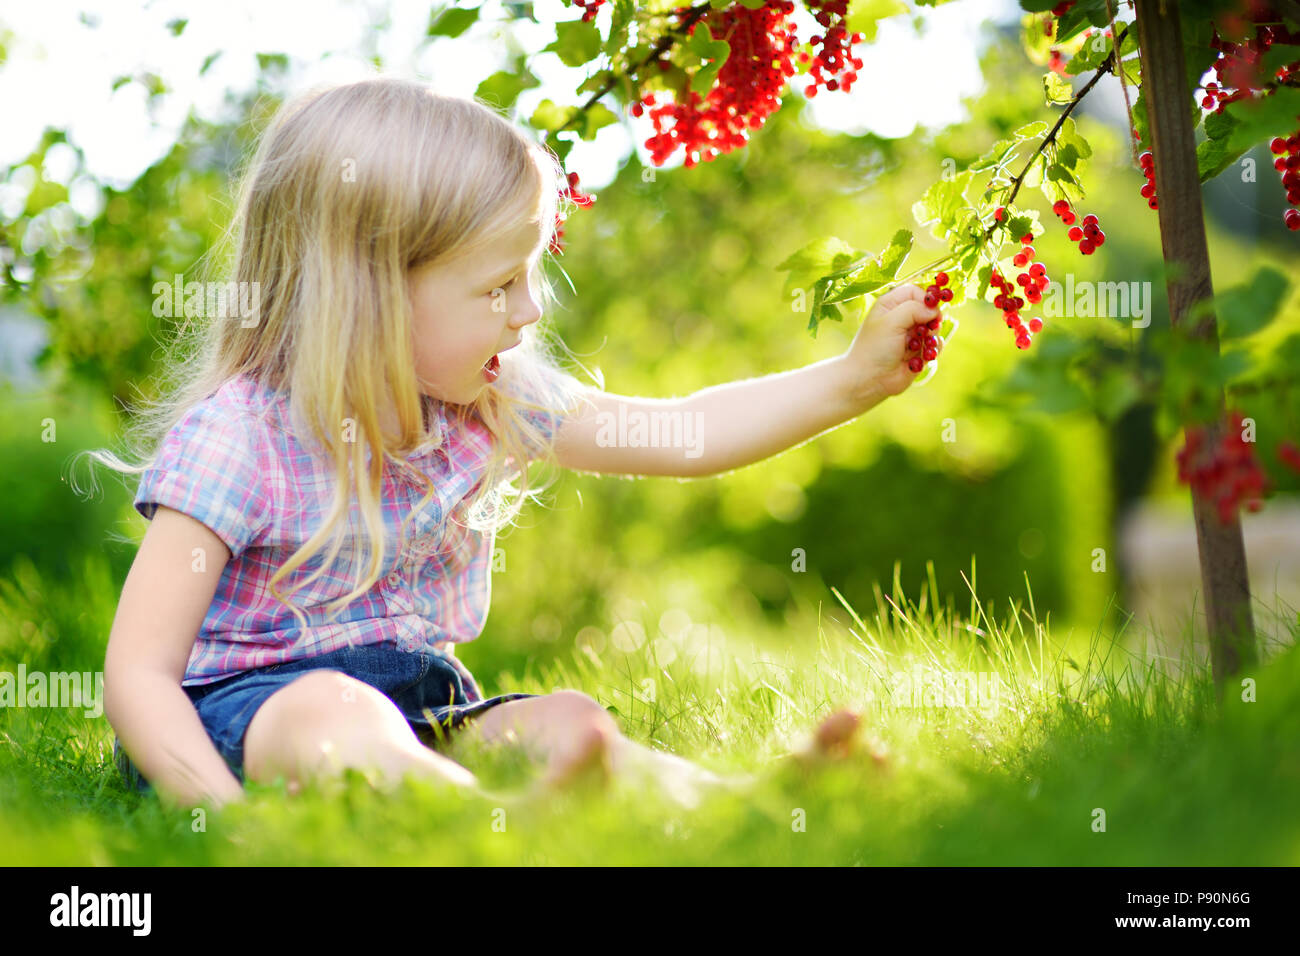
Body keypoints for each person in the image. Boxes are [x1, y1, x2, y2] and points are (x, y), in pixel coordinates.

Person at [90, 75, 940, 812]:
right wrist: (224, 816)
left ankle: (738, 807)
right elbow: (138, 677)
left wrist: (849, 381)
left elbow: (686, 434)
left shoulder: (488, 399)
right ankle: (473, 826)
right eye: (499, 284)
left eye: (528, 274)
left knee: (565, 721)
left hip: (424, 709)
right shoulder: (238, 439)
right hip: (247, 718)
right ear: (370, 295)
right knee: (334, 719)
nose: (530, 311)